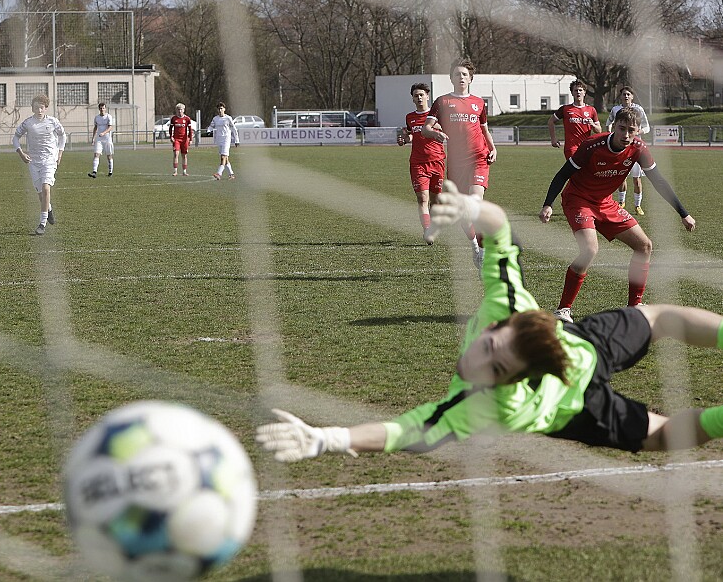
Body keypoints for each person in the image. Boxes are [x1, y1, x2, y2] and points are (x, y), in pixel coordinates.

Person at [257, 184, 723, 462]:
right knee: (660, 414)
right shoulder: (508, 304)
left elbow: (405, 431)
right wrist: (471, 211)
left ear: (516, 377)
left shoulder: (488, 402)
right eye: (490, 351)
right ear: (498, 326)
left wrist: (332, 438)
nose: (479, 363)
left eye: (496, 369)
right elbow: (501, 227)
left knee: (660, 346)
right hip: (579, 373)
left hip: (576, 376)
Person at [540, 107, 695, 323]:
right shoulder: (592, 145)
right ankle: (563, 309)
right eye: (622, 129)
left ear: (639, 131)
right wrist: (548, 204)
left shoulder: (639, 149)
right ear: (614, 127)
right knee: (590, 249)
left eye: (631, 130)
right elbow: (562, 175)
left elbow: (658, 181)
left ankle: (635, 306)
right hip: (579, 200)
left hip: (606, 203)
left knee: (644, 246)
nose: (626, 135)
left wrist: (683, 214)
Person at [423, 58, 497, 269]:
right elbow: (425, 129)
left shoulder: (479, 103)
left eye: (465, 74)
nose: (461, 77)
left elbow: (484, 129)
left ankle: (483, 251)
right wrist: (435, 134)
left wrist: (493, 148)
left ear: (470, 78)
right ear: (451, 78)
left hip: (478, 158)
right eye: (457, 74)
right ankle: (475, 246)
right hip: (456, 163)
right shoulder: (442, 102)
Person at [398, 83, 446, 243]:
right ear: (412, 98)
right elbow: (412, 135)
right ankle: (427, 230)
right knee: (422, 198)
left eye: (421, 95)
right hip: (418, 163)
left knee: (436, 200)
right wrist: (405, 139)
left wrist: (440, 128)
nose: (419, 98)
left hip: (437, 162)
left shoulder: (438, 115)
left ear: (427, 96)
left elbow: (449, 133)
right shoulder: (410, 117)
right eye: (415, 95)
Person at [12, 94, 66, 235]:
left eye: (42, 107)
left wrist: (60, 153)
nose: (39, 110)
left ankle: (42, 224)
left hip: (49, 159)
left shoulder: (53, 122)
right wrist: (21, 153)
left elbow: (62, 135)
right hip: (33, 161)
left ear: (46, 108)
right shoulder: (28, 123)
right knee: (41, 194)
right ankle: (48, 209)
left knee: (46, 188)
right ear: (32, 108)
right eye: (36, 107)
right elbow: (16, 138)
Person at [606, 86, 650, 214]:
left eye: (628, 94)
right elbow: (608, 123)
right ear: (620, 97)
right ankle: (621, 202)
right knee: (621, 177)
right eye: (624, 94)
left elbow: (647, 127)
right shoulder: (616, 109)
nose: (626, 96)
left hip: (635, 148)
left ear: (632, 96)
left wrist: (636, 132)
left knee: (636, 179)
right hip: (620, 148)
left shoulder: (638, 109)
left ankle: (637, 205)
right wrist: (609, 133)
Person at [548, 80, 601, 159]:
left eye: (580, 90)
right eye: (576, 90)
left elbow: (599, 130)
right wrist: (553, 139)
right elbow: (551, 121)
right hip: (571, 148)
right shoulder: (565, 109)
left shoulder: (591, 110)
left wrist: (593, 125)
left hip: (586, 148)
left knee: (584, 171)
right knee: (576, 170)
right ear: (572, 93)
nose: (578, 92)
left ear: (584, 92)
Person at [207, 102, 239, 180]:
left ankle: (219, 173)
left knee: (223, 157)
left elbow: (234, 129)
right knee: (226, 158)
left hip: (226, 139)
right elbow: (211, 126)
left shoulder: (228, 118)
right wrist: (209, 131)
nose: (220, 110)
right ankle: (231, 174)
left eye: (221, 108)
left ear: (224, 109)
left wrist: (236, 140)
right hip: (219, 139)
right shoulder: (215, 118)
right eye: (219, 109)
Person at [88, 102, 113, 178]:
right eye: (101, 108)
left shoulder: (108, 116)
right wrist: (93, 138)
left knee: (109, 156)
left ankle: (110, 171)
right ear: (99, 109)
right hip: (99, 139)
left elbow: (110, 127)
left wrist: (104, 133)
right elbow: (95, 128)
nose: (102, 109)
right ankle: (94, 172)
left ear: (105, 109)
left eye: (103, 108)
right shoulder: (97, 118)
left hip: (107, 138)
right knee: (96, 154)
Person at [168, 103, 194, 176]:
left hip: (184, 140)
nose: (180, 111)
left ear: (184, 110)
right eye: (178, 109)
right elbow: (170, 128)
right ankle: (175, 171)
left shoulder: (187, 119)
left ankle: (184, 171)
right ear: (176, 110)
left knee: (184, 155)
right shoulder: (174, 119)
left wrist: (190, 139)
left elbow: (190, 130)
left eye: (181, 109)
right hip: (176, 139)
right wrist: (171, 136)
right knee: (176, 154)